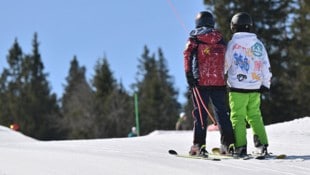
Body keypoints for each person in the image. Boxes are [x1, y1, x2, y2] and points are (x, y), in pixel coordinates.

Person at [184, 11, 235, 156]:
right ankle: (229, 145)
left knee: (200, 114)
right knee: (222, 114)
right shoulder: (220, 39)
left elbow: (187, 55)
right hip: (218, 81)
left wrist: (189, 75)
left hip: (200, 81)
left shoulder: (195, 38)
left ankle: (199, 145)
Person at [224, 12, 272, 157]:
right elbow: (265, 65)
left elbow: (226, 64)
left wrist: (221, 78)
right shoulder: (258, 44)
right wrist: (266, 83)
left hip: (237, 88)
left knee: (238, 116)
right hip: (255, 87)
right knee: (255, 115)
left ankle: (240, 147)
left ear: (233, 27)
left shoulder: (233, 44)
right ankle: (261, 145)